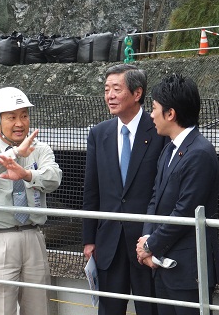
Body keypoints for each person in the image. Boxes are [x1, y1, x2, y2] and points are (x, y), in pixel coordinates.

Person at [0, 87, 62, 315]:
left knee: (38, 308)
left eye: (24, 116)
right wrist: (16, 153)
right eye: (12, 117)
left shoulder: (41, 150)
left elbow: (54, 178)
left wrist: (27, 175)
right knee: (0, 308)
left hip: (33, 235)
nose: (20, 123)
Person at [82, 64, 167, 315]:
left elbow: (162, 189)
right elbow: (91, 189)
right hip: (108, 242)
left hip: (146, 241)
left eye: (116, 89)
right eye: (107, 89)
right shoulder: (99, 134)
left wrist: (157, 237)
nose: (109, 95)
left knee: (150, 309)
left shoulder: (159, 131)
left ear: (137, 93)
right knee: (109, 309)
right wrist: (88, 239)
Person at [136, 74, 219, 315]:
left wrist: (150, 245)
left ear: (170, 114)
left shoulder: (200, 153)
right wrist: (146, 241)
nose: (151, 115)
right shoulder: (169, 149)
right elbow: (154, 198)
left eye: (154, 108)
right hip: (162, 265)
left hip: (189, 270)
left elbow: (185, 211)